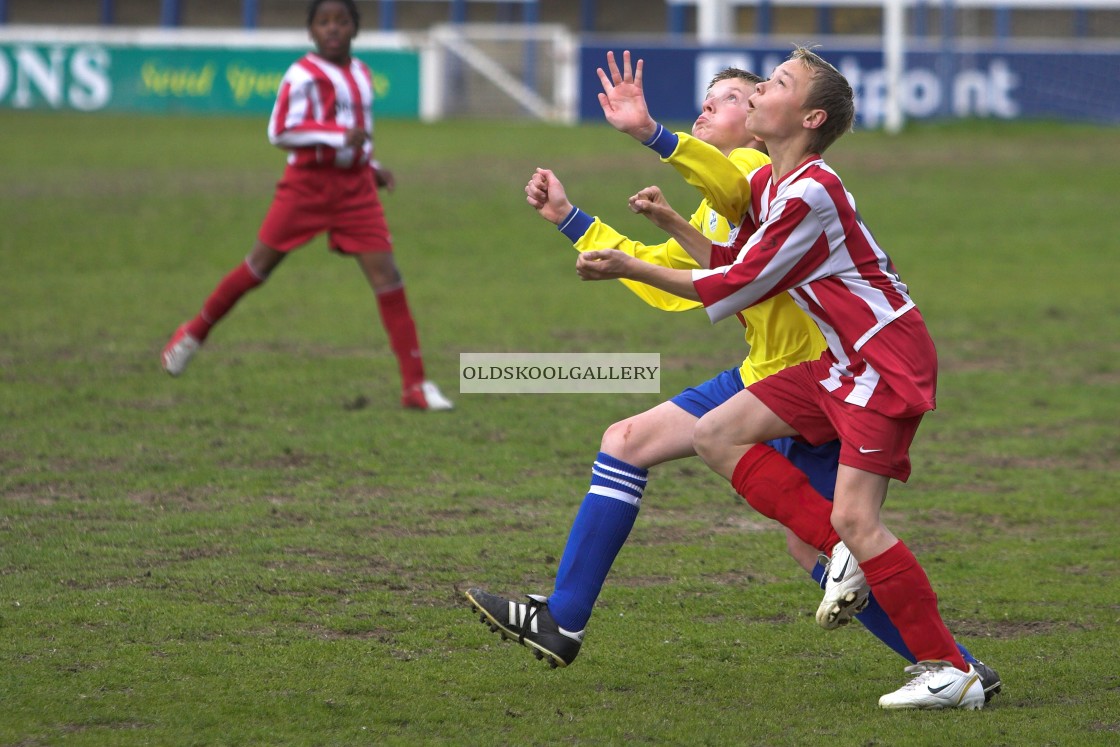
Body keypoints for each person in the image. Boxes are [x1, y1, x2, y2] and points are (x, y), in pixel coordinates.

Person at [465, 52, 999, 705]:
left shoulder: (767, 175)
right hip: (802, 370)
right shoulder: (768, 184)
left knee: (840, 534)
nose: (714, 109)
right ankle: (564, 618)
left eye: (737, 97)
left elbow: (731, 261)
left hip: (855, 366)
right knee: (643, 442)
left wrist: (651, 135)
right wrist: (585, 222)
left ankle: (951, 660)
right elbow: (701, 269)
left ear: (780, 119)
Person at [160, 0, 452, 412]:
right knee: (257, 268)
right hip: (307, 187)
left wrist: (373, 167)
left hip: (354, 190)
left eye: (341, 21)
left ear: (355, 28)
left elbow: (357, 137)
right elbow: (280, 130)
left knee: (388, 276)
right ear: (311, 31)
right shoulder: (302, 75)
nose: (333, 28)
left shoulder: (362, 74)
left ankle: (415, 386)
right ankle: (193, 333)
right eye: (324, 22)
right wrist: (337, 137)